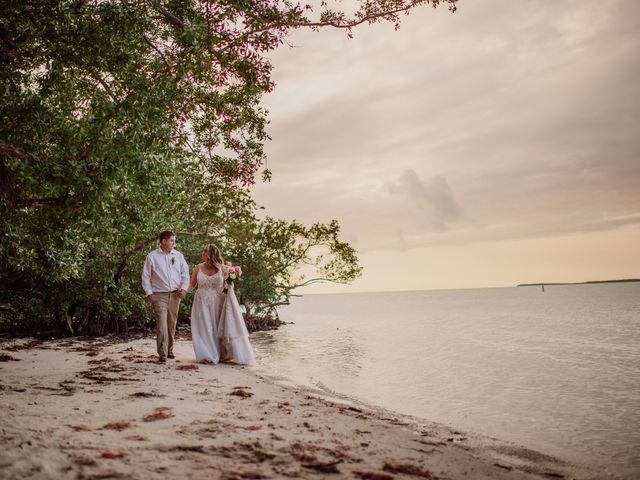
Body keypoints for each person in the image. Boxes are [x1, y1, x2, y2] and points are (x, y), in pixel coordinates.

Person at [188, 243, 255, 365]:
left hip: (218, 301)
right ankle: (207, 355)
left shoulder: (222, 268)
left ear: (210, 255)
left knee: (215, 328)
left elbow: (229, 283)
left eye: (204, 251)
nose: (202, 253)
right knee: (203, 328)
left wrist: (234, 274)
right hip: (201, 301)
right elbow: (192, 284)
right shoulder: (198, 268)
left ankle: (219, 353)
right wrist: (182, 292)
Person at [142, 231, 189, 363]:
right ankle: (162, 353)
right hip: (158, 295)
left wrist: (184, 288)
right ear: (163, 241)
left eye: (174, 241)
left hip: (175, 294)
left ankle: (170, 350)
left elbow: (185, 273)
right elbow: (146, 275)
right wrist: (149, 293)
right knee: (161, 323)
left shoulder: (178, 256)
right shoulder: (152, 256)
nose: (174, 243)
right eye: (171, 241)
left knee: (171, 324)